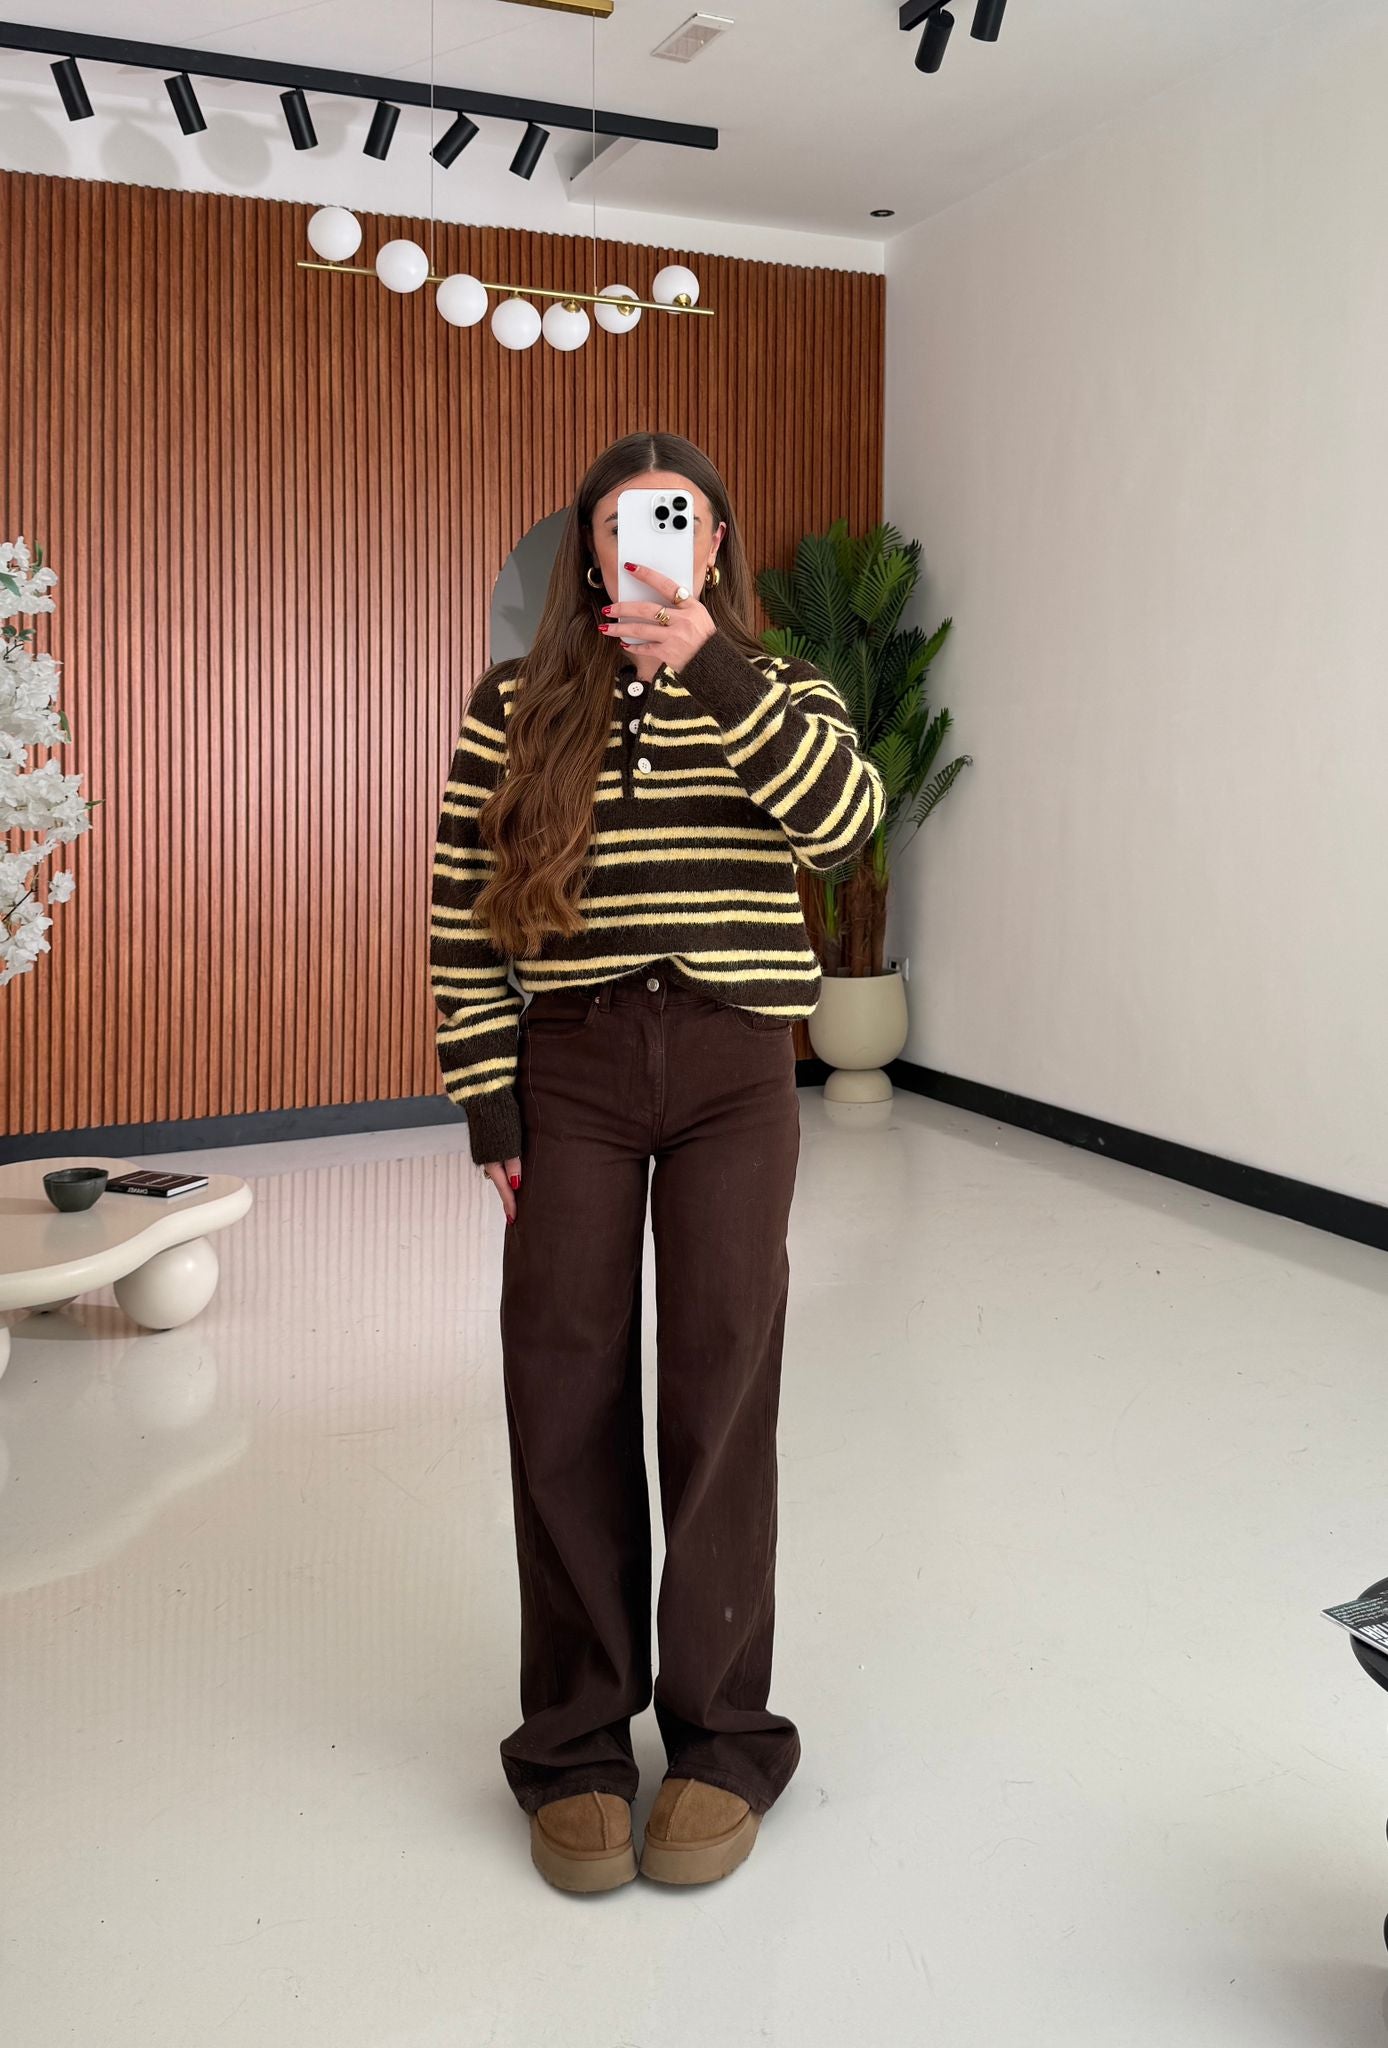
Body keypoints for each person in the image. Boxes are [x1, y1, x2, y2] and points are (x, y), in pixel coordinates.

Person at [428, 431, 885, 1893]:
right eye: (620, 525)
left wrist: (714, 669)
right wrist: (490, 1102)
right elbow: (462, 909)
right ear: (587, 548)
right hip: (569, 1065)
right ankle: (571, 1742)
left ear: (715, 545)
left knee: (722, 1382)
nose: (646, 550)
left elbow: (843, 827)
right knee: (559, 1378)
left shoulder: (781, 688)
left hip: (734, 1068)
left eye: (673, 523)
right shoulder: (514, 704)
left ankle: (723, 1738)